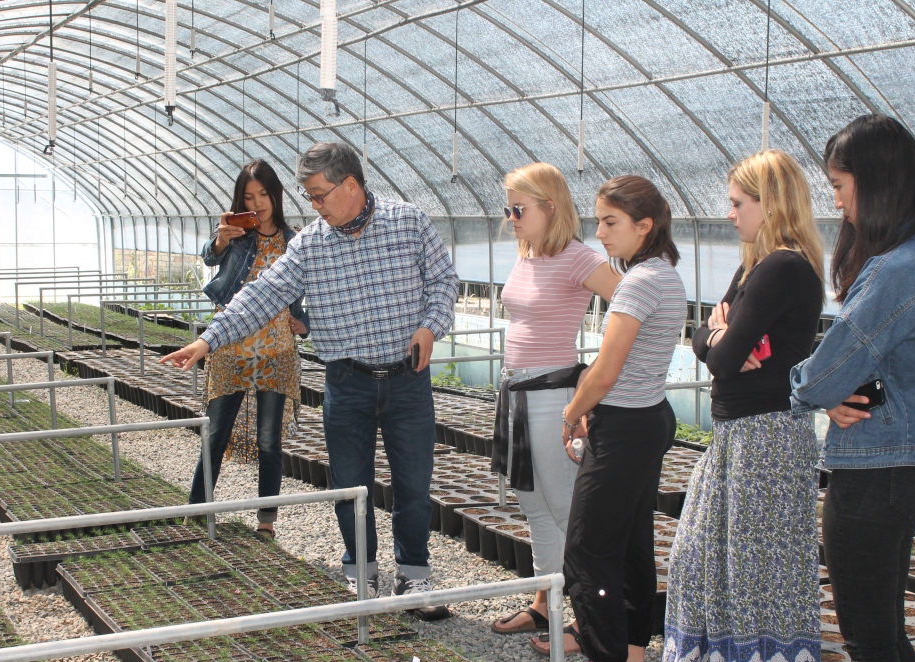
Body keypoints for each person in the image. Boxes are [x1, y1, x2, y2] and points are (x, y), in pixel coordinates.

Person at [161, 141, 459, 619]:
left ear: (351, 185)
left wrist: (430, 325)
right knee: (350, 485)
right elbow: (262, 294)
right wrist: (207, 341)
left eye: (319, 194)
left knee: (413, 484)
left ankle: (414, 577)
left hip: (408, 380)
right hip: (347, 382)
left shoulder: (409, 222)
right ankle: (361, 573)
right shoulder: (310, 244)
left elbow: (444, 282)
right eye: (309, 196)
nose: (314, 205)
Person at [658, 150, 825, 662]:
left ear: (769, 202)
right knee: (708, 564)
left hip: (764, 440)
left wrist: (722, 339)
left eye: (737, 203)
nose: (729, 215)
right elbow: (703, 339)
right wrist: (718, 334)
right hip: (742, 437)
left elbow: (724, 359)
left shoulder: (781, 267)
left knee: (751, 576)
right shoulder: (758, 265)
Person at [791, 114, 915, 662]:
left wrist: (806, 386)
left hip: (874, 471)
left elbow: (824, 375)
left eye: (840, 186)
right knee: (886, 635)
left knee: (868, 642)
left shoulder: (897, 270)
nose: (838, 202)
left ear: (875, 182)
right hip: (901, 466)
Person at [549, 176, 686, 662]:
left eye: (610, 222)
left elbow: (606, 370)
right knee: (629, 543)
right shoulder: (665, 274)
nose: (600, 233)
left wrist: (572, 413)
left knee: (587, 549)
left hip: (625, 426)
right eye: (599, 221)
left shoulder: (639, 281)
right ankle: (630, 659)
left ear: (644, 226)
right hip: (648, 417)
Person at [489, 162, 620, 636]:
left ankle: (589, 618)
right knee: (534, 504)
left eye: (518, 209)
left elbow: (634, 307)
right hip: (517, 394)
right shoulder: (528, 254)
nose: (510, 218)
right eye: (508, 209)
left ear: (549, 207)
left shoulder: (578, 257)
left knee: (566, 506)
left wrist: (597, 378)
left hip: (551, 395)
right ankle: (546, 603)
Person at [188, 159, 310, 538]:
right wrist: (221, 240)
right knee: (215, 435)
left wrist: (304, 322)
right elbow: (210, 256)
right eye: (249, 197)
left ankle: (266, 521)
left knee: (269, 441)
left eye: (263, 195)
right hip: (231, 349)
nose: (257, 204)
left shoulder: (295, 241)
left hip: (277, 352)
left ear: (276, 195)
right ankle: (197, 511)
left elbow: (312, 292)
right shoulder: (237, 236)